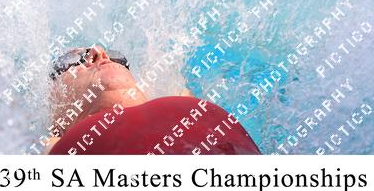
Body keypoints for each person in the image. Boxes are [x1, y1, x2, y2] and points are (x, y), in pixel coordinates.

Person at [44, 45, 261, 155]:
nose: (100, 52)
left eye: (117, 57)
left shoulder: (189, 106)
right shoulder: (53, 151)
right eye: (72, 60)